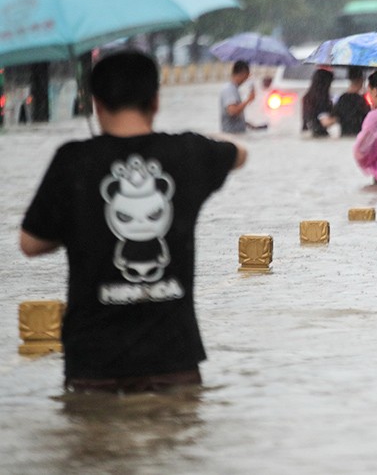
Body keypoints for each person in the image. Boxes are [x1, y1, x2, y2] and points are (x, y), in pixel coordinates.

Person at [19, 50, 247, 393]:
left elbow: (31, 244)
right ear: (156, 100)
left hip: (94, 363)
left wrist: (81, 222)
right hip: (174, 361)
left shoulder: (73, 160)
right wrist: (199, 137)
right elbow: (240, 154)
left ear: (94, 103)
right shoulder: (187, 154)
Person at [219, 60, 265, 133]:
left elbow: (234, 117)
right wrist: (248, 100)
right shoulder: (229, 89)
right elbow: (233, 111)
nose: (246, 79)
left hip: (237, 133)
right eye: (247, 76)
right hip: (232, 136)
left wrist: (248, 125)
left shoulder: (233, 89)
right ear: (243, 73)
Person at [331, 66, 369, 137]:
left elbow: (335, 115)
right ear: (361, 80)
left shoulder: (342, 98)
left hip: (345, 134)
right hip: (359, 136)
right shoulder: (361, 100)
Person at [301, 68, 335, 137]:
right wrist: (339, 117)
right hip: (321, 135)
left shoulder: (307, 98)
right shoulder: (322, 100)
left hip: (310, 134)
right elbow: (325, 122)